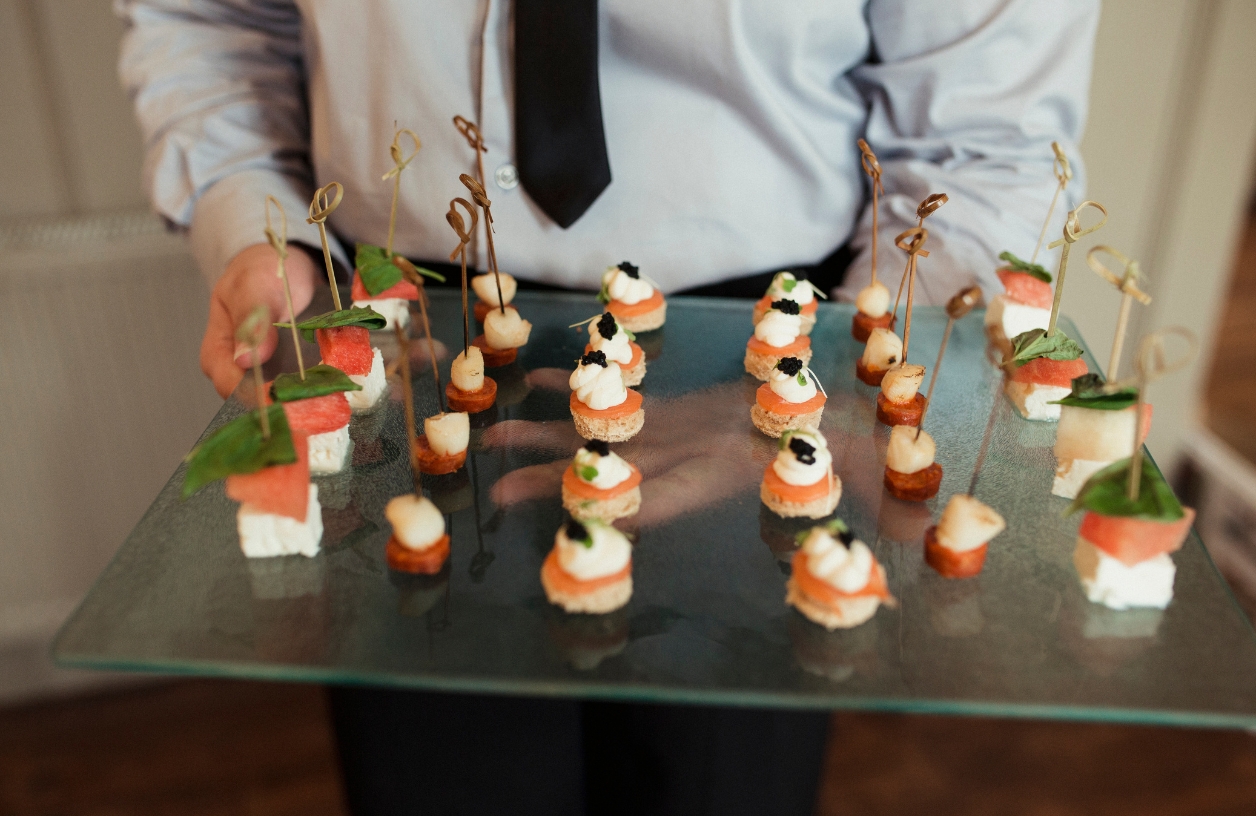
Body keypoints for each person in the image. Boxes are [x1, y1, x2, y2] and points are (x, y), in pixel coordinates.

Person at [116, 1, 1100, 814]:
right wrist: (255, 229)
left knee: (718, 784)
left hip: (796, 353)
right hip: (403, 339)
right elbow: (209, 23)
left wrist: (824, 396)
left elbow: (986, 143)